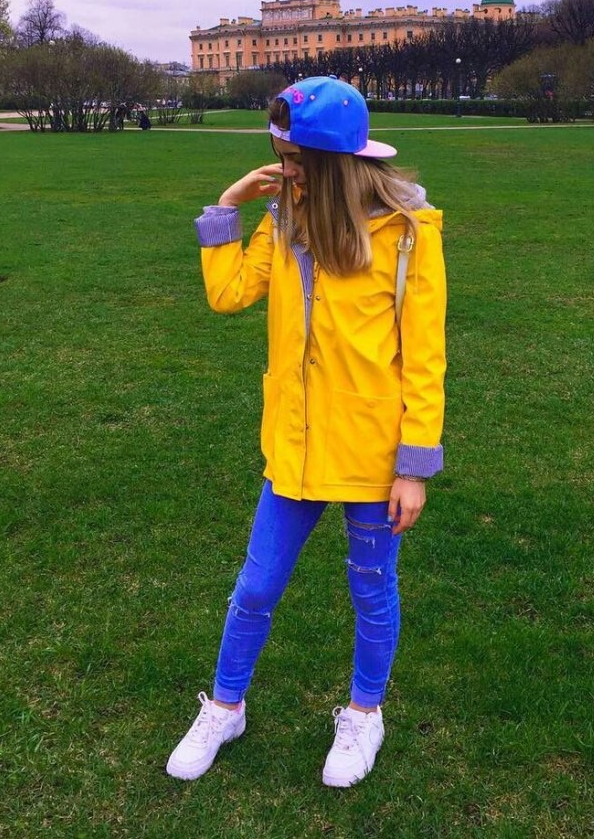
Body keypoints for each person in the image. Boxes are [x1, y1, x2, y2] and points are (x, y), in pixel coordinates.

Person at [167, 76, 447, 788]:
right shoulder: (283, 218)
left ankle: (364, 713)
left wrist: (412, 465)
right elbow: (228, 293)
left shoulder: (409, 235)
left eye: (292, 158)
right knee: (256, 586)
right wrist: (227, 207)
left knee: (371, 588)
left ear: (330, 164)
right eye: (278, 153)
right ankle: (225, 705)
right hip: (293, 446)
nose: (282, 168)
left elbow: (423, 358)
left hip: (372, 455)